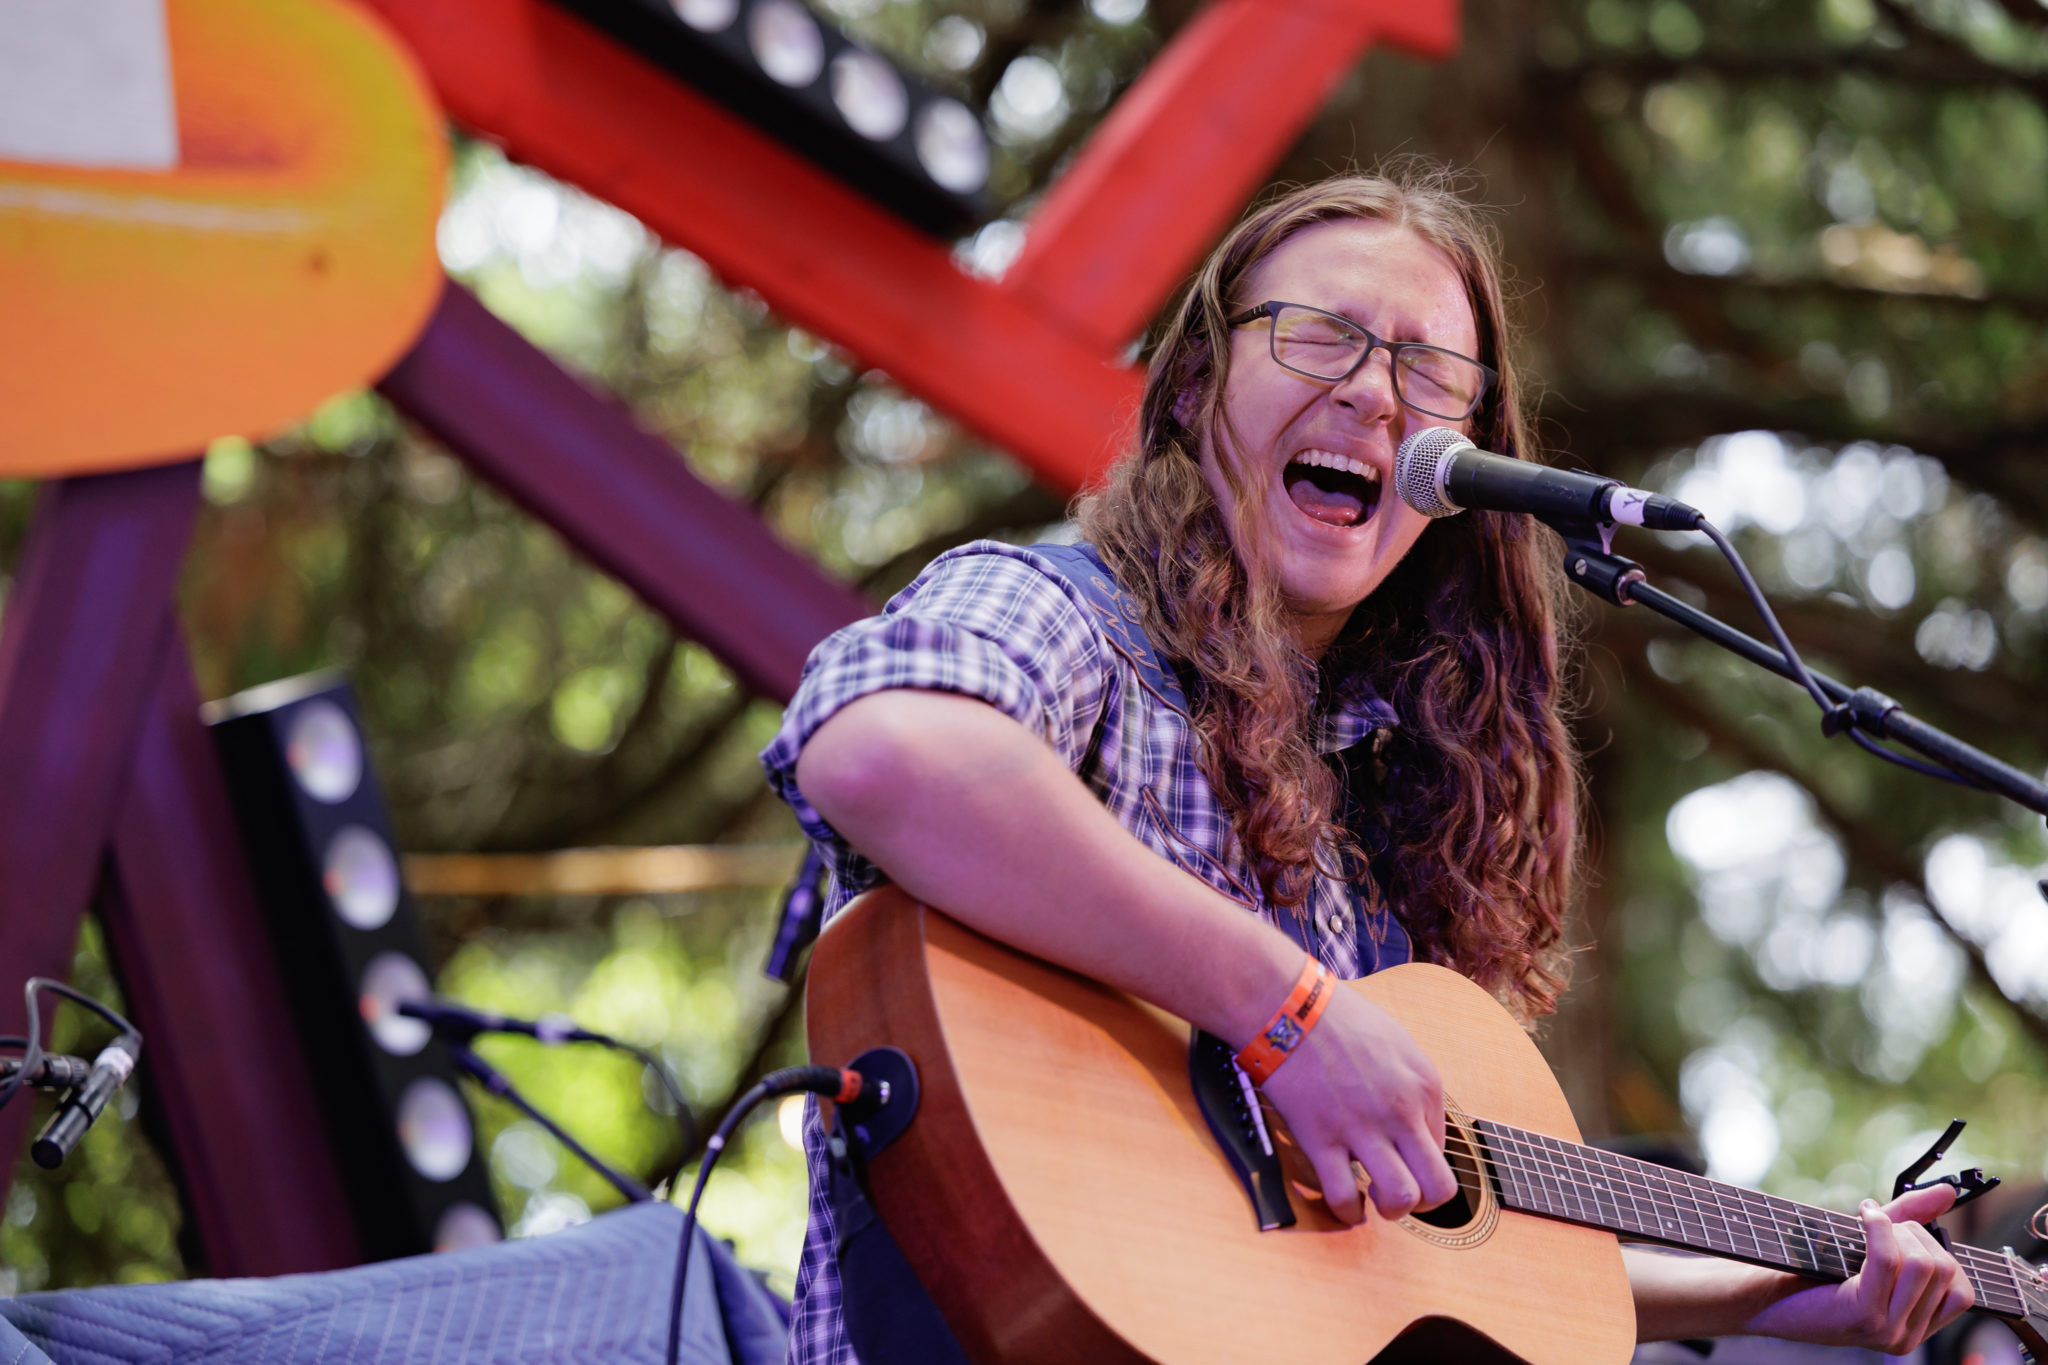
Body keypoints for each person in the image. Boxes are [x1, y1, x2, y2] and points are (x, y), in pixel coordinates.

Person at [759, 169, 1973, 1363]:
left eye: (1428, 369)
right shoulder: (1070, 616)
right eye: (1318, 335)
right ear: (1194, 382)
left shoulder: (1401, 805)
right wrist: (1284, 1014)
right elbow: (884, 750)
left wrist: (1766, 1299)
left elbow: (1455, 1259)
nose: (1374, 393)